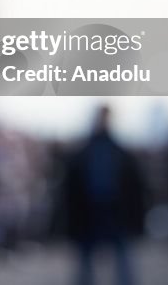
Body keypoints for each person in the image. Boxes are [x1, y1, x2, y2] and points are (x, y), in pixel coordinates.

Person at [64, 106, 144, 285]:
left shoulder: (118, 153)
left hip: (115, 210)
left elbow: (133, 187)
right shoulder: (85, 153)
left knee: (122, 256)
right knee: (86, 258)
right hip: (89, 211)